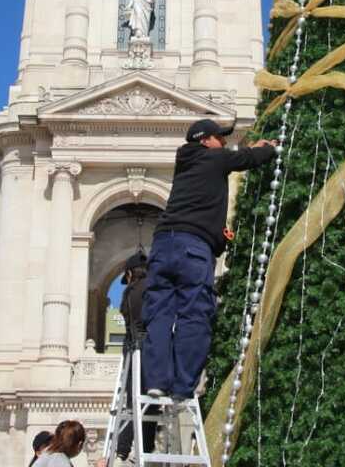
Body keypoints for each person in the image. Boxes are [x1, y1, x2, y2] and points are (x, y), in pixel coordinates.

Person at [142, 119, 277, 402]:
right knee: (195, 314)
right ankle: (182, 387)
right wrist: (269, 148)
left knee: (160, 314)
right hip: (192, 247)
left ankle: (156, 382)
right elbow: (248, 158)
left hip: (163, 244)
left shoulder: (188, 162)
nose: (224, 142)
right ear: (205, 141)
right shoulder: (213, 158)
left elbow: (229, 159)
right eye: (219, 138)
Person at [115, 253, 156, 461]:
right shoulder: (155, 287)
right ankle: (147, 449)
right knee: (151, 402)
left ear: (130, 273)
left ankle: (123, 446)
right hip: (153, 350)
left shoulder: (130, 292)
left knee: (134, 402)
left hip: (134, 349)